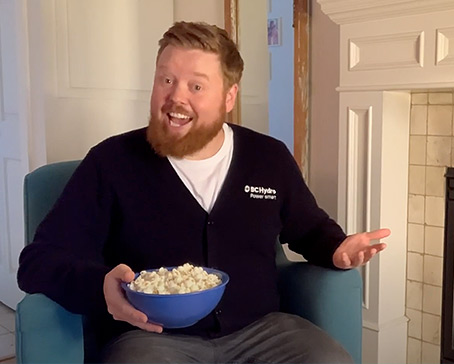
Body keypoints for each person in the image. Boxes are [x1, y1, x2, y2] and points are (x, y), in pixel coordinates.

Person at [17, 21, 389, 363]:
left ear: (229, 96)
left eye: (196, 86)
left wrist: (336, 248)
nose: (176, 98)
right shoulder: (111, 163)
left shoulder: (268, 157)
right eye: (166, 80)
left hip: (262, 331)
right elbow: (38, 261)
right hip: (151, 338)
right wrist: (100, 286)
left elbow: (307, 228)